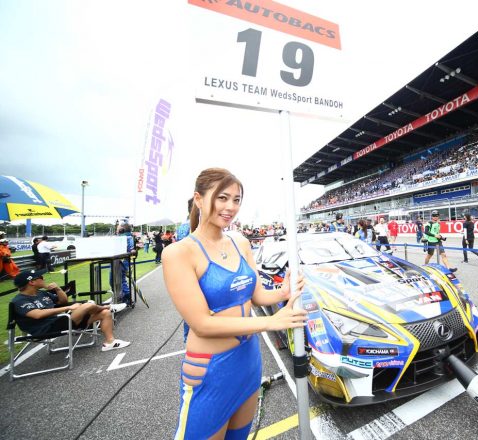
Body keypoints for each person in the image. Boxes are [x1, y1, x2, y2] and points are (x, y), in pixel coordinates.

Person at [162, 168, 307, 440]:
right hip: (211, 370)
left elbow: (257, 295)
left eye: (237, 200)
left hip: (248, 362)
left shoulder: (240, 242)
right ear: (199, 199)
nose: (231, 207)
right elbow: (202, 324)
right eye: (222, 198)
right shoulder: (178, 253)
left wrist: (282, 292)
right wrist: (270, 322)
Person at [11, 269, 130, 351]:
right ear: (32, 282)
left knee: (105, 314)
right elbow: (37, 314)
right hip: (47, 328)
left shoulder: (41, 293)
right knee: (88, 306)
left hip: (62, 321)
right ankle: (108, 306)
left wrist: (58, 289)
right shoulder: (19, 300)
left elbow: (62, 301)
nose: (43, 279)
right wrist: (68, 308)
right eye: (40, 277)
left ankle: (110, 342)